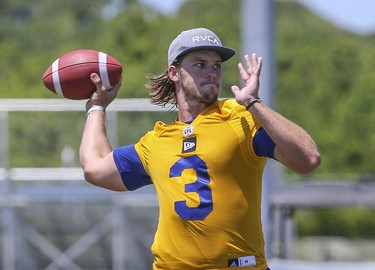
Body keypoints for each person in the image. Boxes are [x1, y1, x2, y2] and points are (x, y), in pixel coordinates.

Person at [79, 27, 321, 270]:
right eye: (200, 64)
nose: (212, 72)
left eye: (217, 65)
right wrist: (97, 107)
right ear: (174, 73)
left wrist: (253, 103)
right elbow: (95, 168)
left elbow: (307, 159)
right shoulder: (156, 141)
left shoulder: (240, 119)